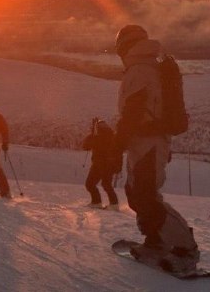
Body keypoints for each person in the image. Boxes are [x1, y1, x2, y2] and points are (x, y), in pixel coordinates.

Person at [113, 24, 200, 275]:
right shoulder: (147, 65)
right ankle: (156, 239)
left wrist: (118, 141)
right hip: (146, 141)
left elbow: (133, 111)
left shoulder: (139, 69)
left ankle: (185, 248)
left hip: (147, 142)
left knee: (146, 195)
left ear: (123, 46)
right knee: (138, 193)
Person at [82, 118, 120, 210]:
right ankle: (113, 204)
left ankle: (97, 202)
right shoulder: (112, 136)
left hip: (99, 164)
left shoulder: (96, 137)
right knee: (106, 184)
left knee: (90, 184)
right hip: (107, 164)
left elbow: (85, 146)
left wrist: (91, 134)